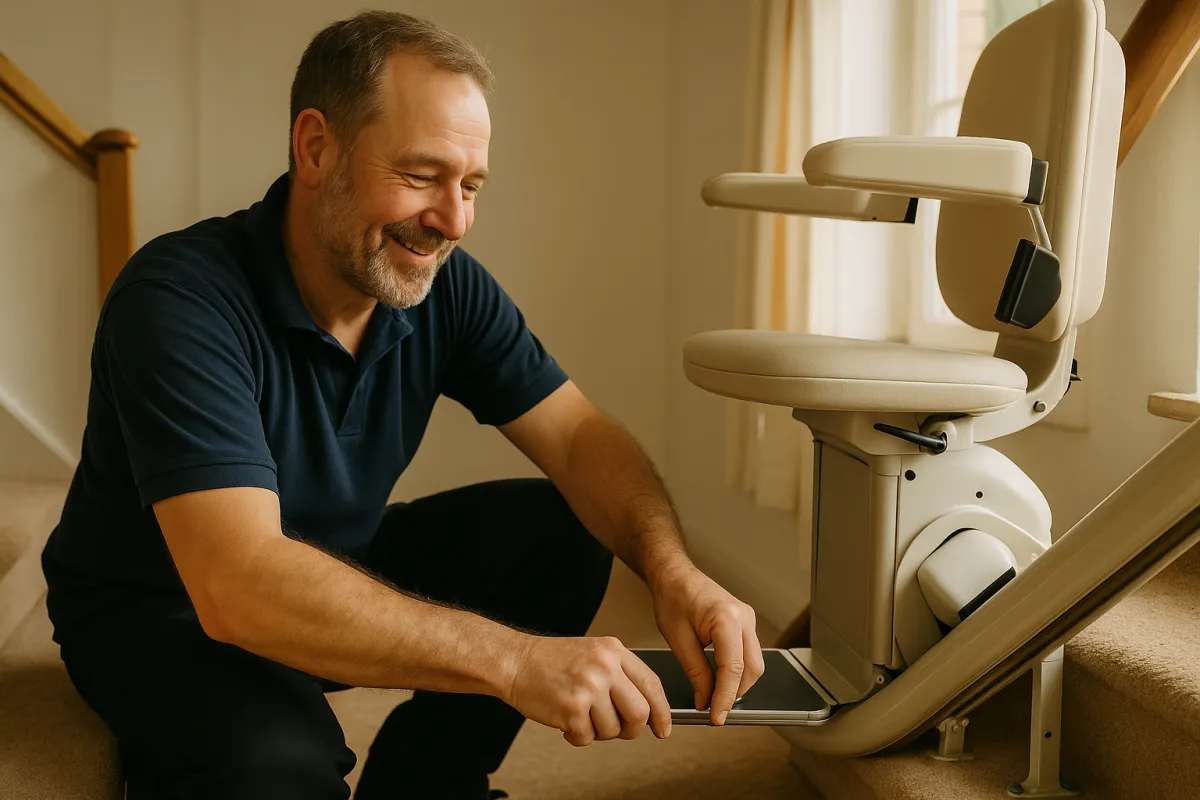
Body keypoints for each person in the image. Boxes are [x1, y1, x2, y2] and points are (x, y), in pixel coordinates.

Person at [40, 10, 764, 799]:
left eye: (471, 185)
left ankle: (427, 784)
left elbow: (580, 436)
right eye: (421, 176)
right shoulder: (180, 298)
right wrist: (517, 660)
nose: (452, 221)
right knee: (282, 766)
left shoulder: (441, 287)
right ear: (316, 146)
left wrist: (672, 571)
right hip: (166, 611)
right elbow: (238, 583)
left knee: (560, 531)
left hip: (328, 555)